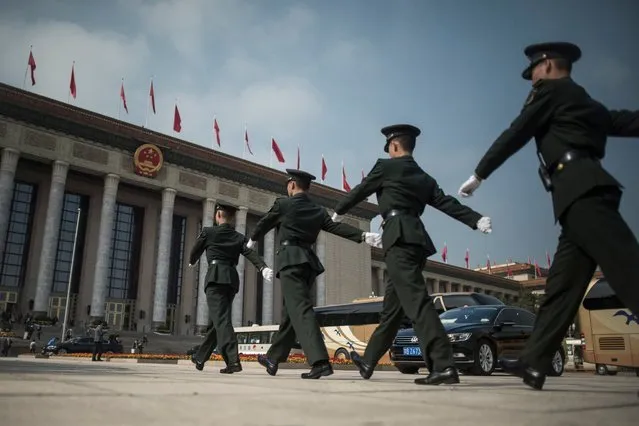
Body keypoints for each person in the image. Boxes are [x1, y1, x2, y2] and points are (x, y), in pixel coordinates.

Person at [457, 41, 639, 390]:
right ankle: (535, 361)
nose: (532, 79)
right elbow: (622, 121)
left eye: (535, 70)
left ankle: (534, 360)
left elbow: (517, 132)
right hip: (577, 197)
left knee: (628, 272)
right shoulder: (581, 99)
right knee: (561, 289)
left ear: (551, 65)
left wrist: (480, 174)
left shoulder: (553, 92)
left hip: (583, 193)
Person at [331, 124, 492, 385]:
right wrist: (475, 219)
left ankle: (443, 365)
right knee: (393, 311)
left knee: (417, 303)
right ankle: (369, 360)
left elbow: (361, 189)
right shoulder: (424, 177)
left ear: (393, 145)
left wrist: (338, 211)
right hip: (417, 240)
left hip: (398, 237)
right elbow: (446, 203)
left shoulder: (385, 167)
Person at [247, 169, 383, 379]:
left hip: (290, 260)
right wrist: (363, 236)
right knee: (292, 312)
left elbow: (265, 222)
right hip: (308, 263)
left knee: (300, 309)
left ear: (292, 185)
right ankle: (273, 358)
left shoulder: (283, 204)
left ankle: (320, 362)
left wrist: (252, 239)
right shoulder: (317, 210)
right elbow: (335, 227)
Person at [188, 202, 274, 374]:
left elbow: (195, 250)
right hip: (231, 280)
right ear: (232, 218)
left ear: (218, 215)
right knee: (219, 322)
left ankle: (234, 360)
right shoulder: (238, 237)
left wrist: (193, 260)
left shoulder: (208, 232)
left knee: (221, 321)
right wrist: (262, 267)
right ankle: (200, 357)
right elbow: (250, 253)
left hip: (215, 279)